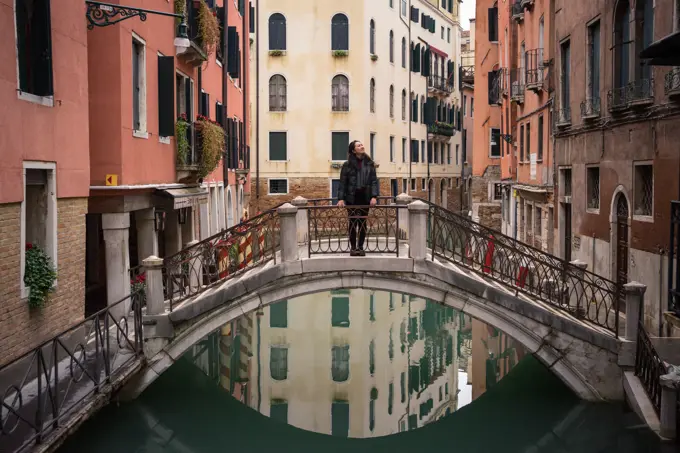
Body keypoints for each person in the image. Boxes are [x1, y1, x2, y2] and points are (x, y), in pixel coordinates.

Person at [337, 140, 379, 256]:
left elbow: (374, 181)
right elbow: (342, 183)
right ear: (353, 150)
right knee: (352, 222)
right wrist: (340, 199)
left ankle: (360, 247)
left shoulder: (369, 163)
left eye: (362, 145)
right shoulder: (347, 165)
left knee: (362, 223)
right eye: (359, 145)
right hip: (352, 197)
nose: (362, 146)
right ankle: (353, 248)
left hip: (365, 196)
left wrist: (374, 196)